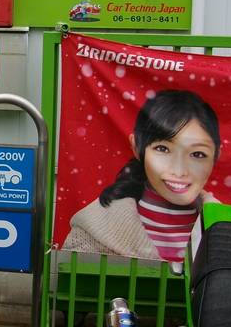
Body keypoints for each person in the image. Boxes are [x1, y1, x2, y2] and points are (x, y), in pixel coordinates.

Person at [63, 90, 220, 262]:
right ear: (137, 147)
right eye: (163, 149)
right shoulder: (92, 228)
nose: (179, 170)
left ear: (216, 155)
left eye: (197, 154)